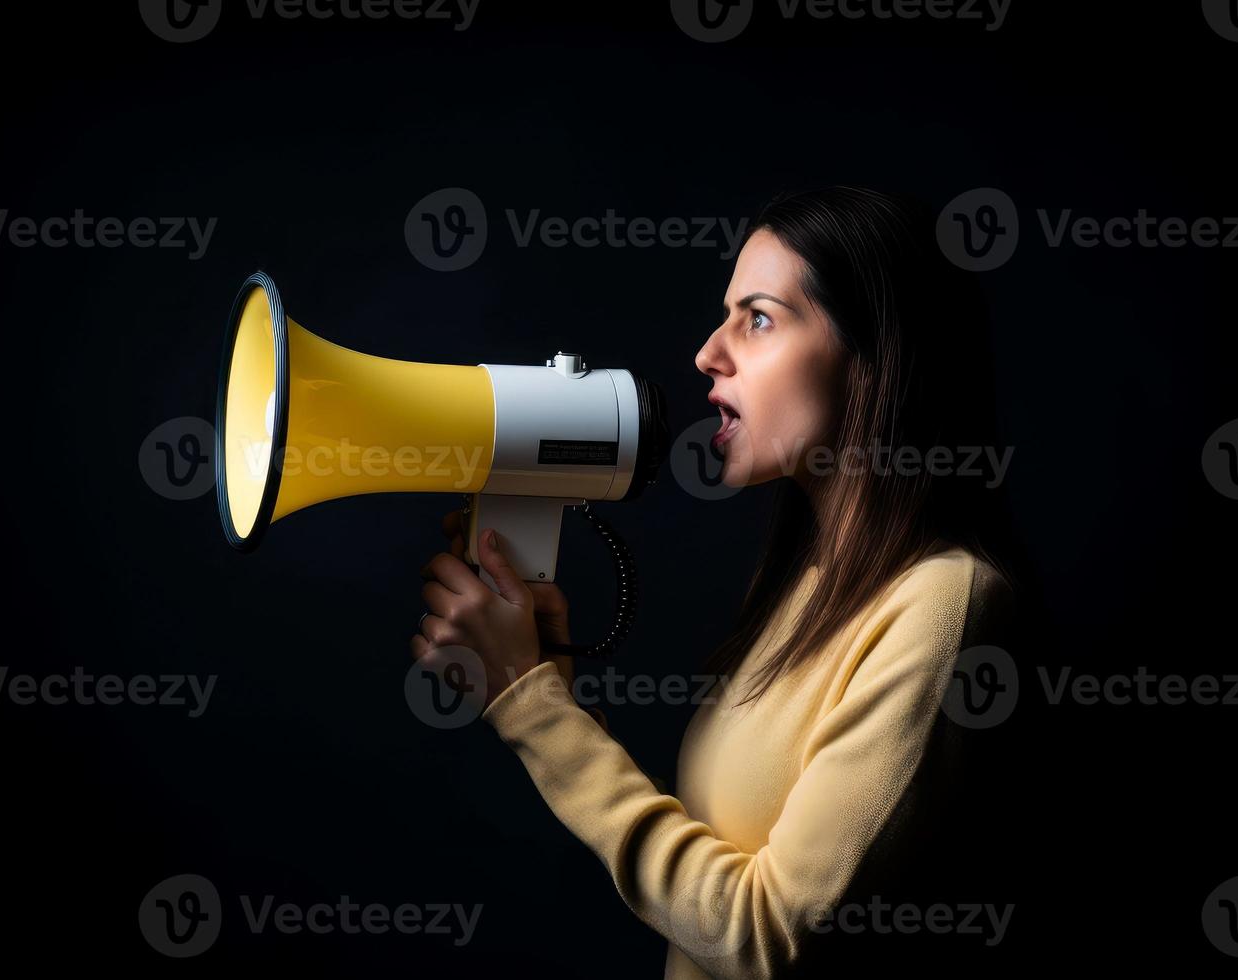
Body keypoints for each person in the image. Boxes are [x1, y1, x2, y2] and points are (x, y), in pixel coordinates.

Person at [412, 186, 1019, 978]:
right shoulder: (811, 586)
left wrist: (531, 703)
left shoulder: (945, 605)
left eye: (757, 318)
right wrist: (544, 669)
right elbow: (720, 855)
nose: (708, 352)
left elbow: (764, 936)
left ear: (872, 353)